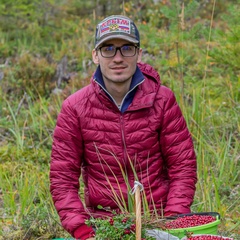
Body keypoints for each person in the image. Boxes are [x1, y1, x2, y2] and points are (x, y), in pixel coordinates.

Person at [50, 15, 197, 240]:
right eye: (108, 48)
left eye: (126, 48)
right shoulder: (75, 107)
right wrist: (82, 229)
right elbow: (62, 177)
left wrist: (173, 220)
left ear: (138, 54)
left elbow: (182, 165)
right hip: (102, 225)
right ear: (95, 55)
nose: (118, 58)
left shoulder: (163, 100)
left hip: (158, 220)